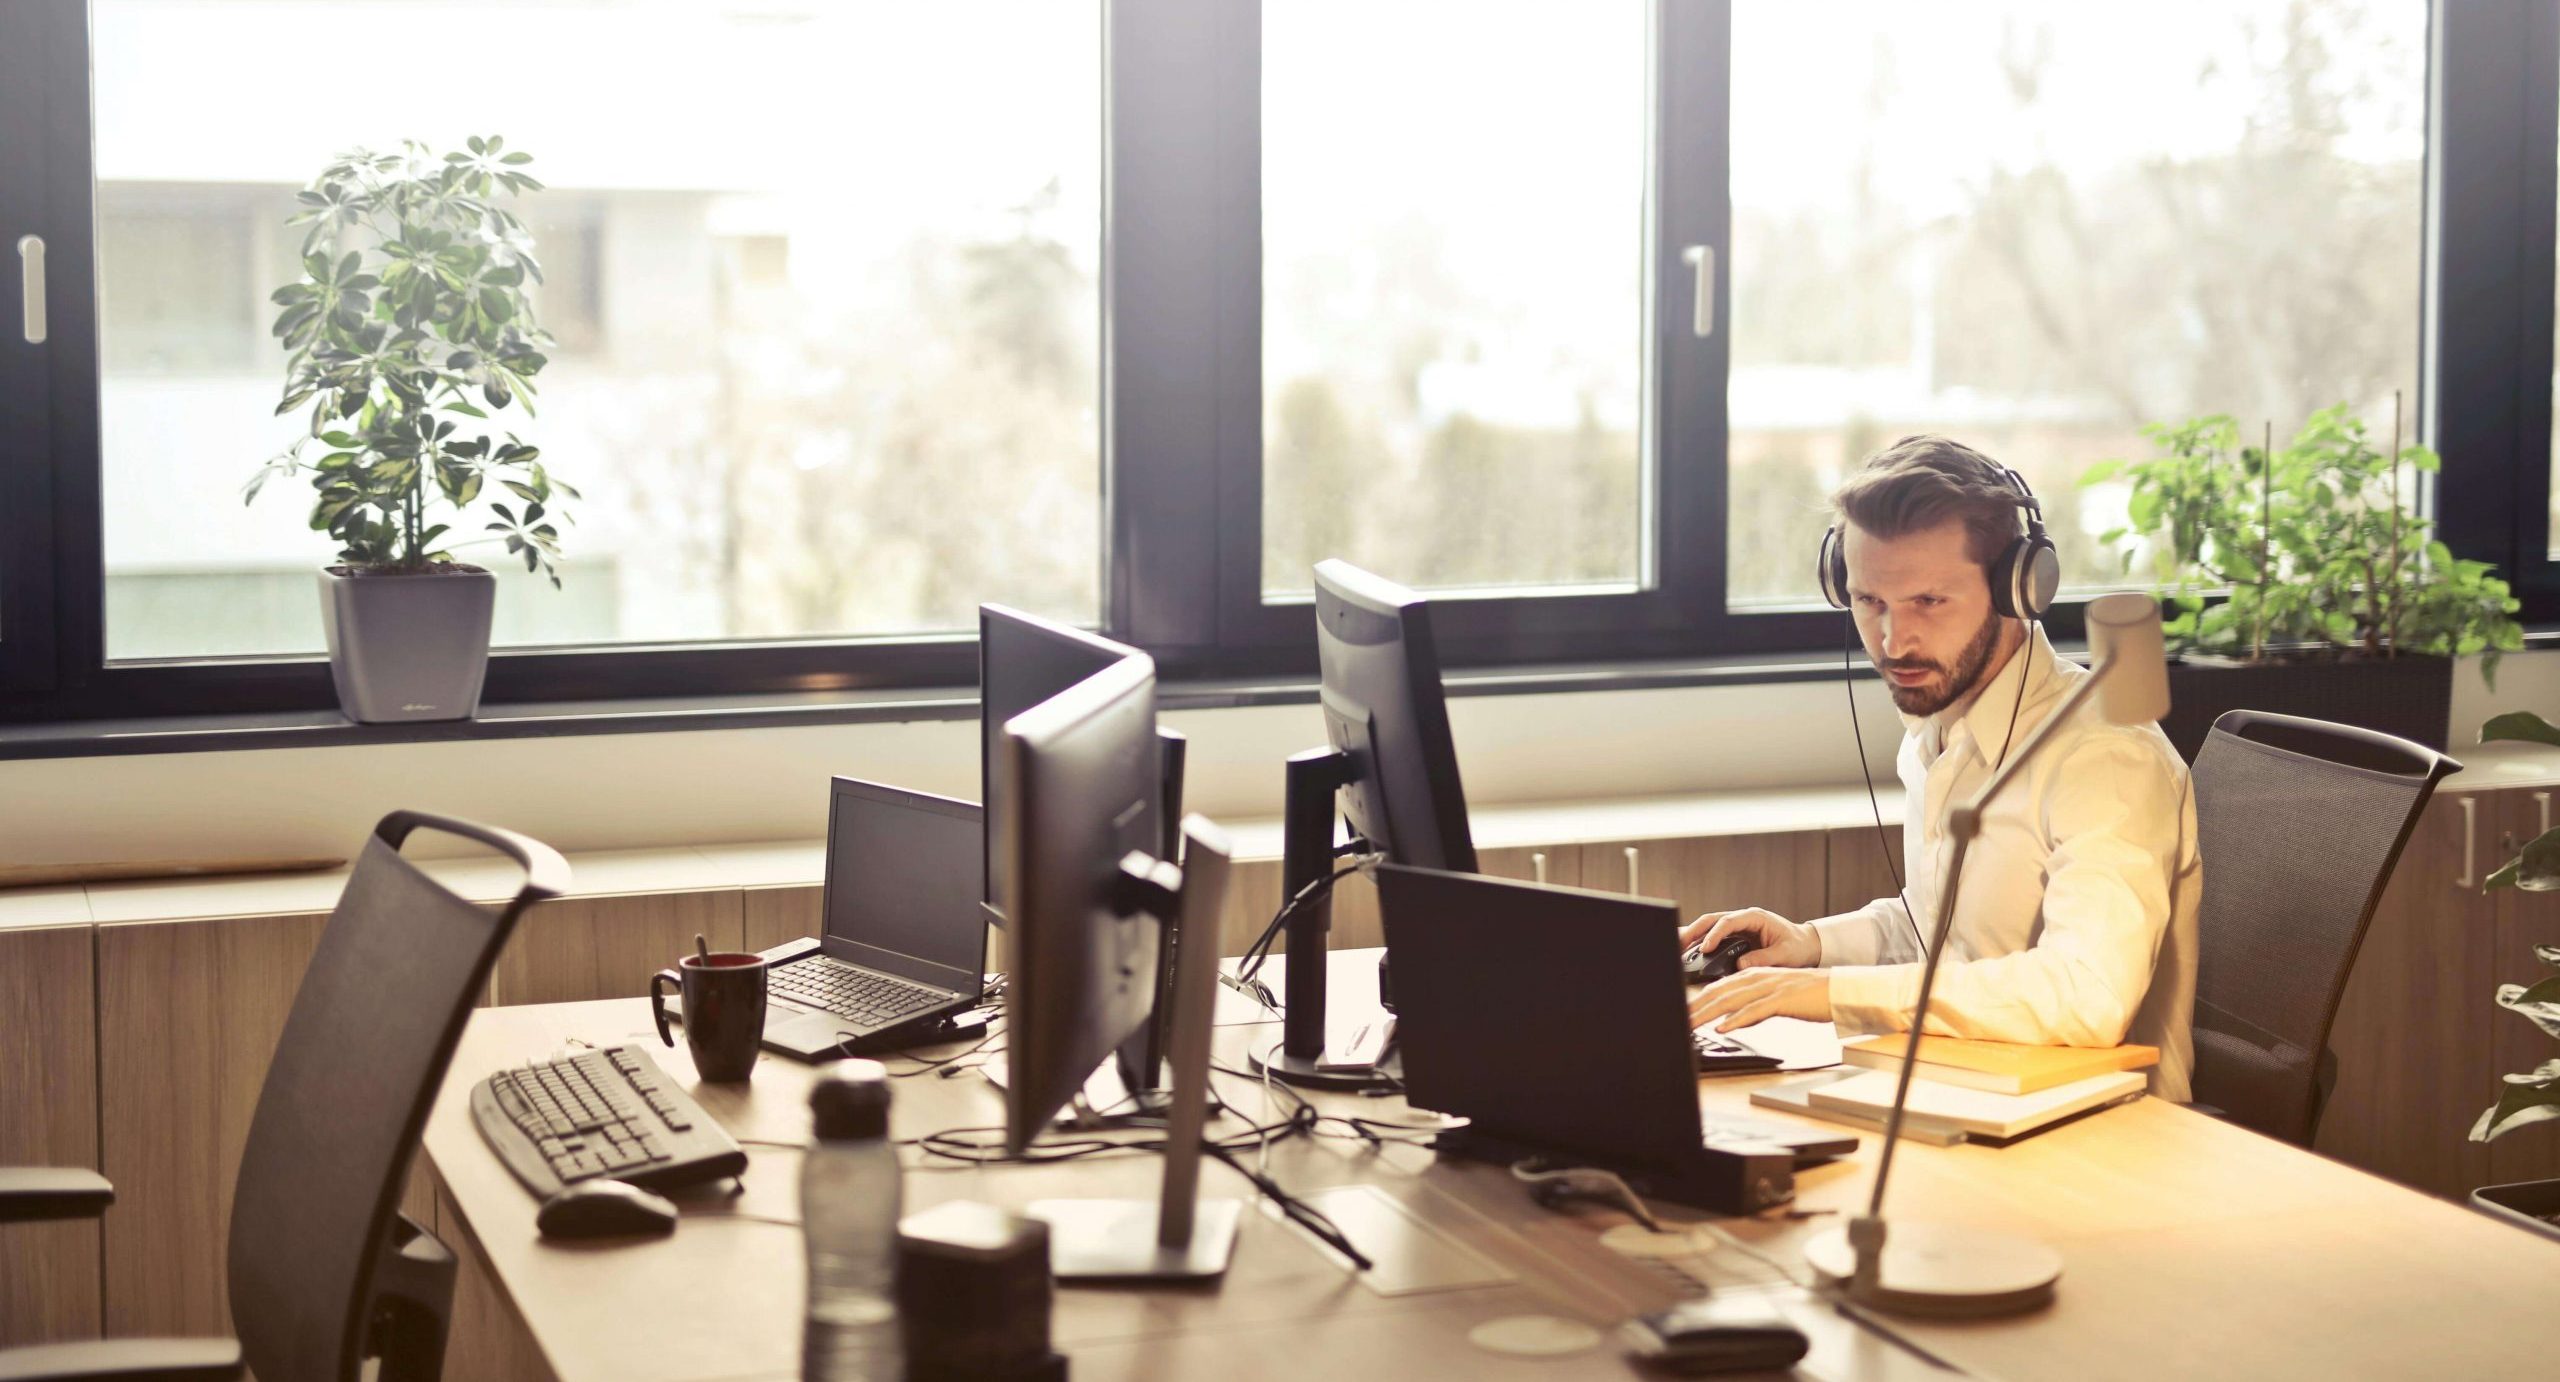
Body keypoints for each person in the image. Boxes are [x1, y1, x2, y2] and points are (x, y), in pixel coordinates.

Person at [1685, 435, 2201, 1100]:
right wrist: (1811, 946)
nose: (1894, 642)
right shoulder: (1939, 728)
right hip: (1965, 1090)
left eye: (1929, 602)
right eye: (1870, 602)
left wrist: (1832, 992)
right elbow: (1941, 935)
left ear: (2019, 588)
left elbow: (2087, 996)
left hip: (2105, 1134)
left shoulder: (2105, 756)